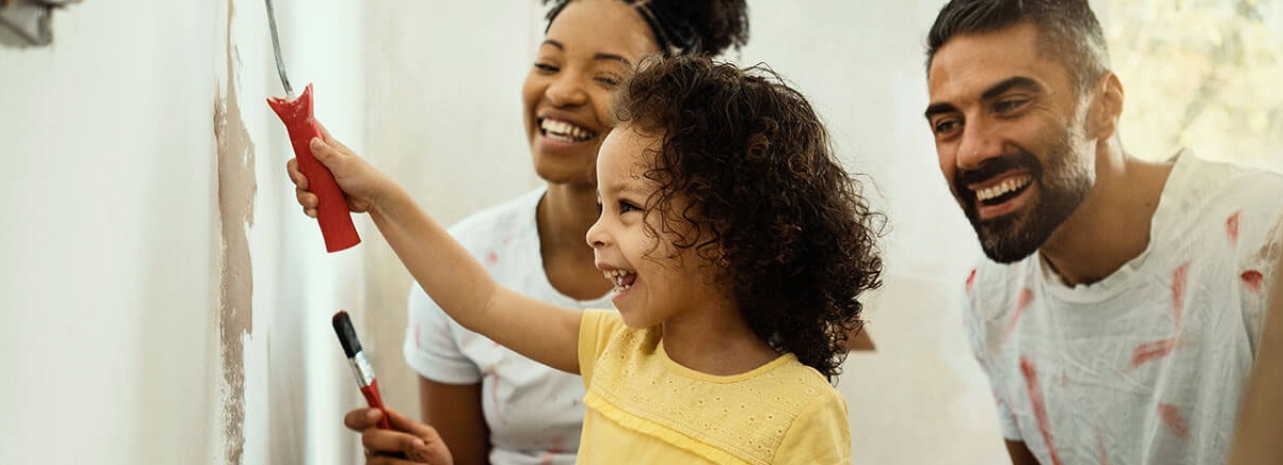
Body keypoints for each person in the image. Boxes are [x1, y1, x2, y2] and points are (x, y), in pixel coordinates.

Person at [294, 55, 882, 464]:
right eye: (601, 206)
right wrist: (378, 198)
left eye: (627, 207)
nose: (596, 232)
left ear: (727, 227)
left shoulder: (801, 412)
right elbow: (482, 301)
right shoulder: (616, 351)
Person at [920, 1, 1283, 464]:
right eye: (947, 125)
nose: (972, 152)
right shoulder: (990, 299)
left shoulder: (1269, 238)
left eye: (1010, 105)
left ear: (1105, 107)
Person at [377, 1, 749, 464]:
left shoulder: (725, 277)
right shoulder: (455, 270)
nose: (563, 91)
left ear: (683, 108)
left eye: (609, 78)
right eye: (547, 64)